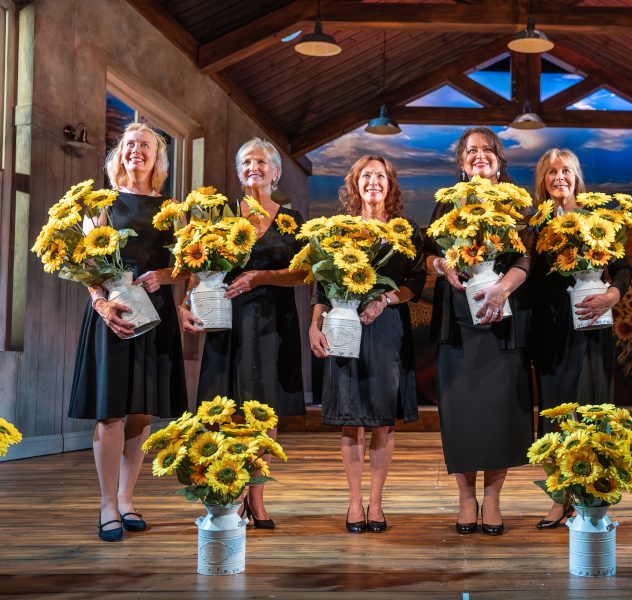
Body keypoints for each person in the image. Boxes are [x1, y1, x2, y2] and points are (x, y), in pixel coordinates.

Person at [68, 122, 189, 542]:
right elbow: (84, 264)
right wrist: (100, 304)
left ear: (158, 159)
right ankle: (105, 504)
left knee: (142, 410)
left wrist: (165, 276)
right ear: (119, 155)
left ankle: (126, 498)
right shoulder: (102, 203)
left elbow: (187, 266)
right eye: (129, 145)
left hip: (155, 315)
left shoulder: (172, 209)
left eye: (146, 146)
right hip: (112, 315)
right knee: (110, 409)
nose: (136, 151)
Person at [181, 138, 306, 529]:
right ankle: (229, 493)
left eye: (262, 161)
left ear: (276, 172)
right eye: (247, 162)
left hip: (272, 322)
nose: (254, 166)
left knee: (264, 410)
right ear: (238, 173)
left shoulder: (292, 220)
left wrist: (261, 277)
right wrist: (186, 303)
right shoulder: (219, 216)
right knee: (224, 407)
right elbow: (195, 264)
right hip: (226, 322)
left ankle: (257, 494)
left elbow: (304, 273)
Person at [423, 126, 534, 536]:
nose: (479, 156)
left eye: (487, 150)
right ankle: (466, 499)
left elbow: (527, 258)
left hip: (504, 322)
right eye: (472, 151)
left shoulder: (518, 205)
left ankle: (492, 500)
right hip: (458, 322)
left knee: (501, 412)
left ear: (499, 161)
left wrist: (504, 287)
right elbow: (429, 256)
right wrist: (443, 267)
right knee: (462, 412)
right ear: (461, 161)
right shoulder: (446, 204)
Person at [309, 155, 424, 533]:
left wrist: (385, 299)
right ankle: (354, 502)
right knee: (349, 420)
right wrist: (315, 326)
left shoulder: (406, 232)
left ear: (390, 185)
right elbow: (321, 287)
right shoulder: (336, 232)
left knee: (382, 421)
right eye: (366, 176)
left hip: (388, 328)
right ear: (355, 185)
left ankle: (376, 502)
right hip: (343, 325)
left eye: (380, 176)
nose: (373, 181)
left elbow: (415, 285)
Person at [529, 148, 631, 529]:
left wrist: (611, 295)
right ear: (542, 180)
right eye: (551, 171)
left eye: (566, 171)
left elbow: (622, 267)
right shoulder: (534, 225)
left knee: (591, 411)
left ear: (577, 177)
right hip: (552, 334)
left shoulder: (600, 220)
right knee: (555, 418)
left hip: (592, 330)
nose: (559, 177)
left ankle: (594, 495)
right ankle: (560, 498)